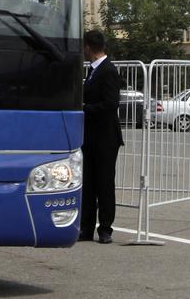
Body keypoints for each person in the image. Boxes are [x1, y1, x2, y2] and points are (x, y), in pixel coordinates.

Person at [80, 30, 122, 244]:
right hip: (90, 137)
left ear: (88, 47)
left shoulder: (108, 70)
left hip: (106, 137)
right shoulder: (93, 71)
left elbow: (111, 104)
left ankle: (105, 228)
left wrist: (85, 108)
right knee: (88, 183)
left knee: (104, 184)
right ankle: (85, 228)